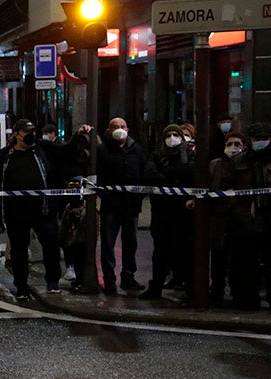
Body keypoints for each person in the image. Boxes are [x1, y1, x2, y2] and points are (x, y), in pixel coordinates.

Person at [0, 119, 76, 300]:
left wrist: (78, 136)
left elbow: (65, 152)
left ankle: (52, 281)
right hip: (16, 214)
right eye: (26, 132)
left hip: (43, 211)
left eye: (32, 132)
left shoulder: (42, 149)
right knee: (19, 251)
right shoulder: (4, 157)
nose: (30, 136)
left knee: (51, 245)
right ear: (16, 135)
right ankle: (21, 286)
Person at [140, 124, 196, 301]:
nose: (172, 138)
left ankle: (190, 288)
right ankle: (155, 287)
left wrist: (167, 176)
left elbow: (189, 172)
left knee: (185, 252)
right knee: (160, 253)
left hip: (183, 213)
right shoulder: (157, 155)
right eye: (169, 134)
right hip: (162, 212)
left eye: (176, 134)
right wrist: (172, 179)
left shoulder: (189, 155)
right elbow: (150, 174)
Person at [96, 117, 150, 294]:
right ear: (109, 130)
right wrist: (105, 193)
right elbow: (98, 176)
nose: (120, 129)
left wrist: (139, 196)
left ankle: (128, 277)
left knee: (131, 243)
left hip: (131, 206)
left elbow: (143, 172)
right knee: (108, 244)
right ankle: (109, 279)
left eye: (122, 127)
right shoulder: (102, 150)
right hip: (111, 206)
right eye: (116, 127)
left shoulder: (135, 149)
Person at [209, 130, 254, 307]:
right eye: (229, 144)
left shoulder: (248, 164)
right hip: (219, 218)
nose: (233, 148)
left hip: (240, 218)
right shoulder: (215, 164)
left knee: (239, 260)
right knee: (218, 258)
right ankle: (217, 292)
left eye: (237, 144)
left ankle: (240, 295)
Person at [246, 122, 271, 308]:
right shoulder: (247, 159)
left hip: (267, 214)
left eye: (264, 139)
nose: (260, 142)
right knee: (250, 260)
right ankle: (250, 297)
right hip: (252, 216)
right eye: (257, 139)